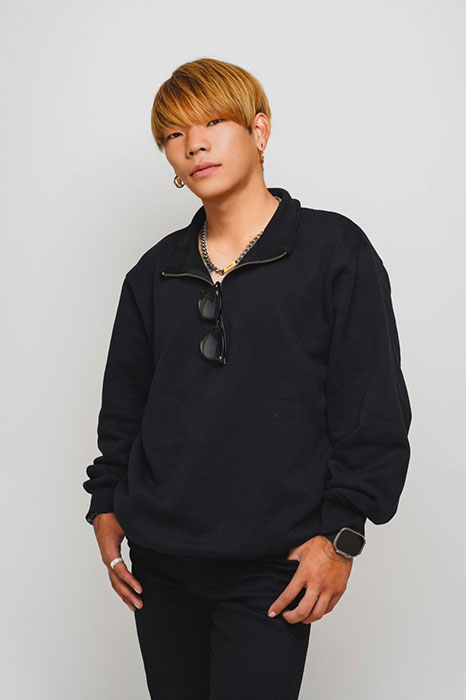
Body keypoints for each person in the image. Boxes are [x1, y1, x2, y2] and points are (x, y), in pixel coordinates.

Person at [82, 57, 412, 700]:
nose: (194, 144)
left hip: (273, 561)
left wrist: (342, 537)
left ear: (259, 131)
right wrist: (105, 504)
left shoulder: (334, 251)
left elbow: (370, 405)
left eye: (213, 123)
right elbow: (124, 407)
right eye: (174, 133)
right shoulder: (153, 273)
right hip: (159, 562)